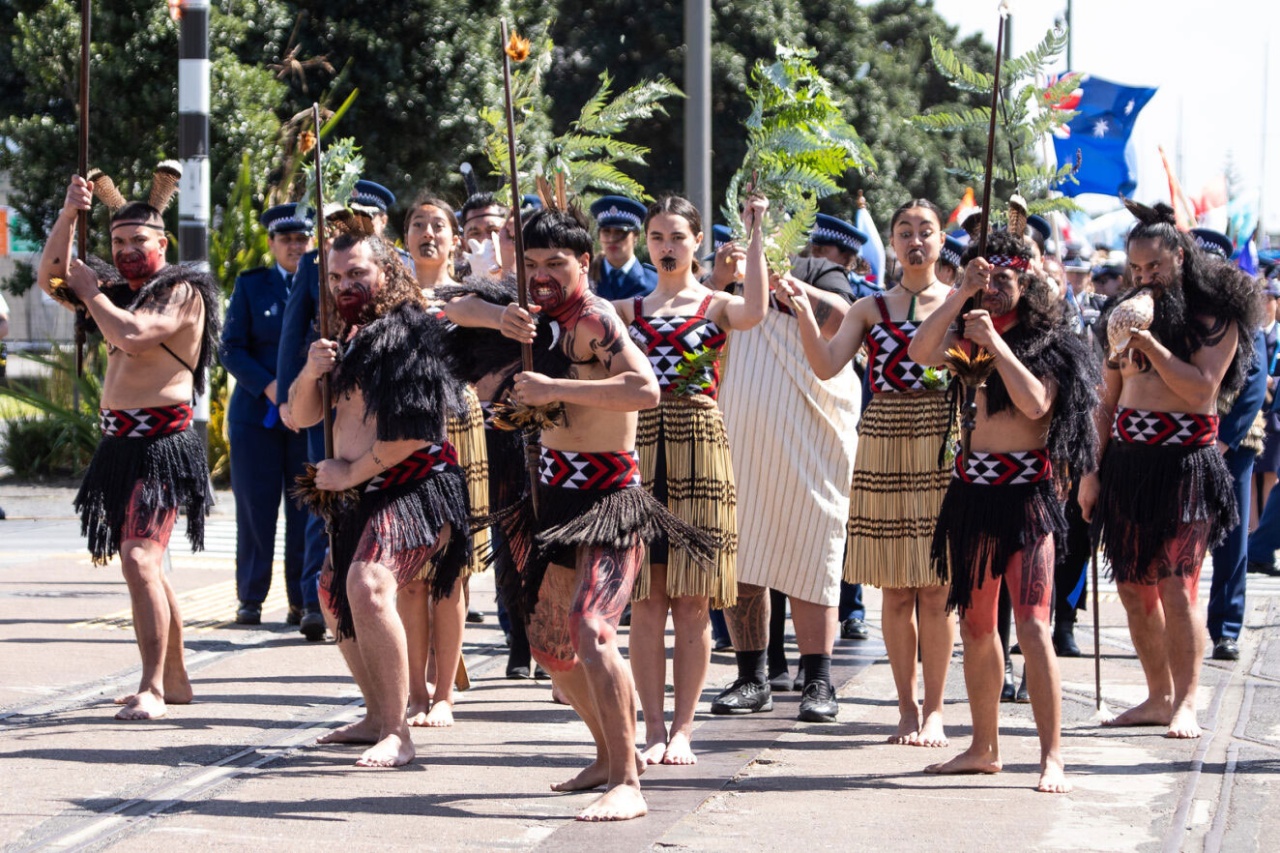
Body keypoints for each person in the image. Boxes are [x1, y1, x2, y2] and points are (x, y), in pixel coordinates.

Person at [445, 206, 712, 821]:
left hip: (610, 503)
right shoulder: (531, 317)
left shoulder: (593, 319)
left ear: (583, 264)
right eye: (531, 264)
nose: (541, 275)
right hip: (554, 500)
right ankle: (606, 753)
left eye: (555, 264)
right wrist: (495, 314)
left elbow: (645, 389)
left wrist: (556, 389)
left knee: (591, 630)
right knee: (550, 648)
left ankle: (628, 782)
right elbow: (447, 304)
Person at [910, 228, 1099, 793]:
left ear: (1027, 281)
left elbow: (1037, 406)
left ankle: (1052, 755)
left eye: (1001, 279)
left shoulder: (1051, 342)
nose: (990, 288)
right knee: (974, 624)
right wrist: (955, 296)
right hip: (972, 494)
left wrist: (996, 341)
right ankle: (984, 746)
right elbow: (919, 353)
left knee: (1033, 626)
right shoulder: (963, 330)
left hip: (1028, 497)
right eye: (981, 278)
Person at [38, 166, 220, 720]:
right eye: (117, 241)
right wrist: (71, 213)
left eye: (138, 239)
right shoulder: (115, 293)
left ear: (162, 243)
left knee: (140, 559)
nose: (125, 249)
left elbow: (132, 336)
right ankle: (176, 678)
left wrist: (90, 290)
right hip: (118, 446)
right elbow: (50, 276)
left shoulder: (183, 292)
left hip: (164, 443)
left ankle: (152, 687)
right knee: (148, 566)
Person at [1080, 200, 1261, 739]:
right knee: (1135, 589)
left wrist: (1150, 344)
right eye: (1135, 271)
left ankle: (1187, 701)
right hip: (1129, 466)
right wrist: (1091, 471)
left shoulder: (1217, 317)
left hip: (1187, 465)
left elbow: (1202, 389)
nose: (1143, 279)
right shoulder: (1124, 316)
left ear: (1180, 258)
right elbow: (1106, 401)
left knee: (1177, 586)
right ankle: (1157, 695)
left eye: (1153, 268)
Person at [290, 230, 470, 767]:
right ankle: (377, 714)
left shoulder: (408, 332)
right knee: (332, 592)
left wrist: (349, 473)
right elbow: (299, 416)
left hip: (414, 486)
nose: (346, 285)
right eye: (337, 277)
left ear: (385, 273)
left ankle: (399, 731)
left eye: (357, 274)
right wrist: (310, 371)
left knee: (367, 585)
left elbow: (414, 433)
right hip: (361, 492)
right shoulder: (338, 336)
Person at [790, 198, 956, 747]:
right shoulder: (868, 308)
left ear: (939, 240)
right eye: (904, 230)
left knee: (936, 589)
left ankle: (935, 710)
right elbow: (825, 365)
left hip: (940, 443)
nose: (915, 240)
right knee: (895, 590)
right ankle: (906, 708)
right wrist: (803, 314)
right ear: (891, 240)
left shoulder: (958, 305)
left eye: (925, 231)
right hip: (883, 440)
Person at [612, 193, 767, 765]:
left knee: (694, 601)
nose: (667, 247)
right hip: (643, 446)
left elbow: (756, 310)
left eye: (677, 236)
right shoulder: (628, 309)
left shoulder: (717, 304)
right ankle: (651, 727)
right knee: (648, 600)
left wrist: (755, 234)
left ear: (697, 241)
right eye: (657, 237)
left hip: (701, 445)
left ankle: (683, 729)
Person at [712, 250, 861, 722]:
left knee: (813, 554)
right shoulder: (729, 273)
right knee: (742, 556)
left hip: (811, 435)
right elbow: (700, 321)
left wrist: (791, 285)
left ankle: (818, 679)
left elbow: (842, 321)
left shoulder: (818, 268)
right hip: (741, 435)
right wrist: (719, 276)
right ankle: (752, 677)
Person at [276, 177, 406, 640]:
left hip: (394, 433)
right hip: (330, 389)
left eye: (366, 218)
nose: (343, 284)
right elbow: (295, 332)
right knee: (326, 493)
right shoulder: (314, 265)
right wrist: (295, 390)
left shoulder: (399, 272)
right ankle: (315, 599)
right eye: (335, 278)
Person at [401, 192, 488, 726]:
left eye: (438, 225)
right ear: (404, 236)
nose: (428, 233)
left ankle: (445, 695)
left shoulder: (474, 294)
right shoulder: (390, 295)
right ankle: (414, 689)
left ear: (456, 239)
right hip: (405, 429)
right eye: (418, 224)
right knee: (411, 569)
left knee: (450, 571)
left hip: (459, 425)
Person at [220, 203, 314, 628]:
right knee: (256, 510)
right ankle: (251, 598)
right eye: (286, 239)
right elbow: (230, 348)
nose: (295, 246)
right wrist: (273, 388)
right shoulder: (251, 285)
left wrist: (298, 394)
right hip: (256, 415)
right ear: (272, 243)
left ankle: (301, 599)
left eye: (302, 239)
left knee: (304, 508)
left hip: (305, 414)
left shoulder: (320, 285)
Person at [588, 195, 657, 300]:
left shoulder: (654, 283)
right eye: (606, 231)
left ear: (636, 236)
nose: (611, 239)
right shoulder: (585, 279)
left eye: (620, 232)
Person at [809, 212, 880, 299]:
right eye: (813, 249)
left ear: (845, 257)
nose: (814, 255)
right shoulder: (800, 285)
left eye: (822, 250)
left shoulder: (867, 296)